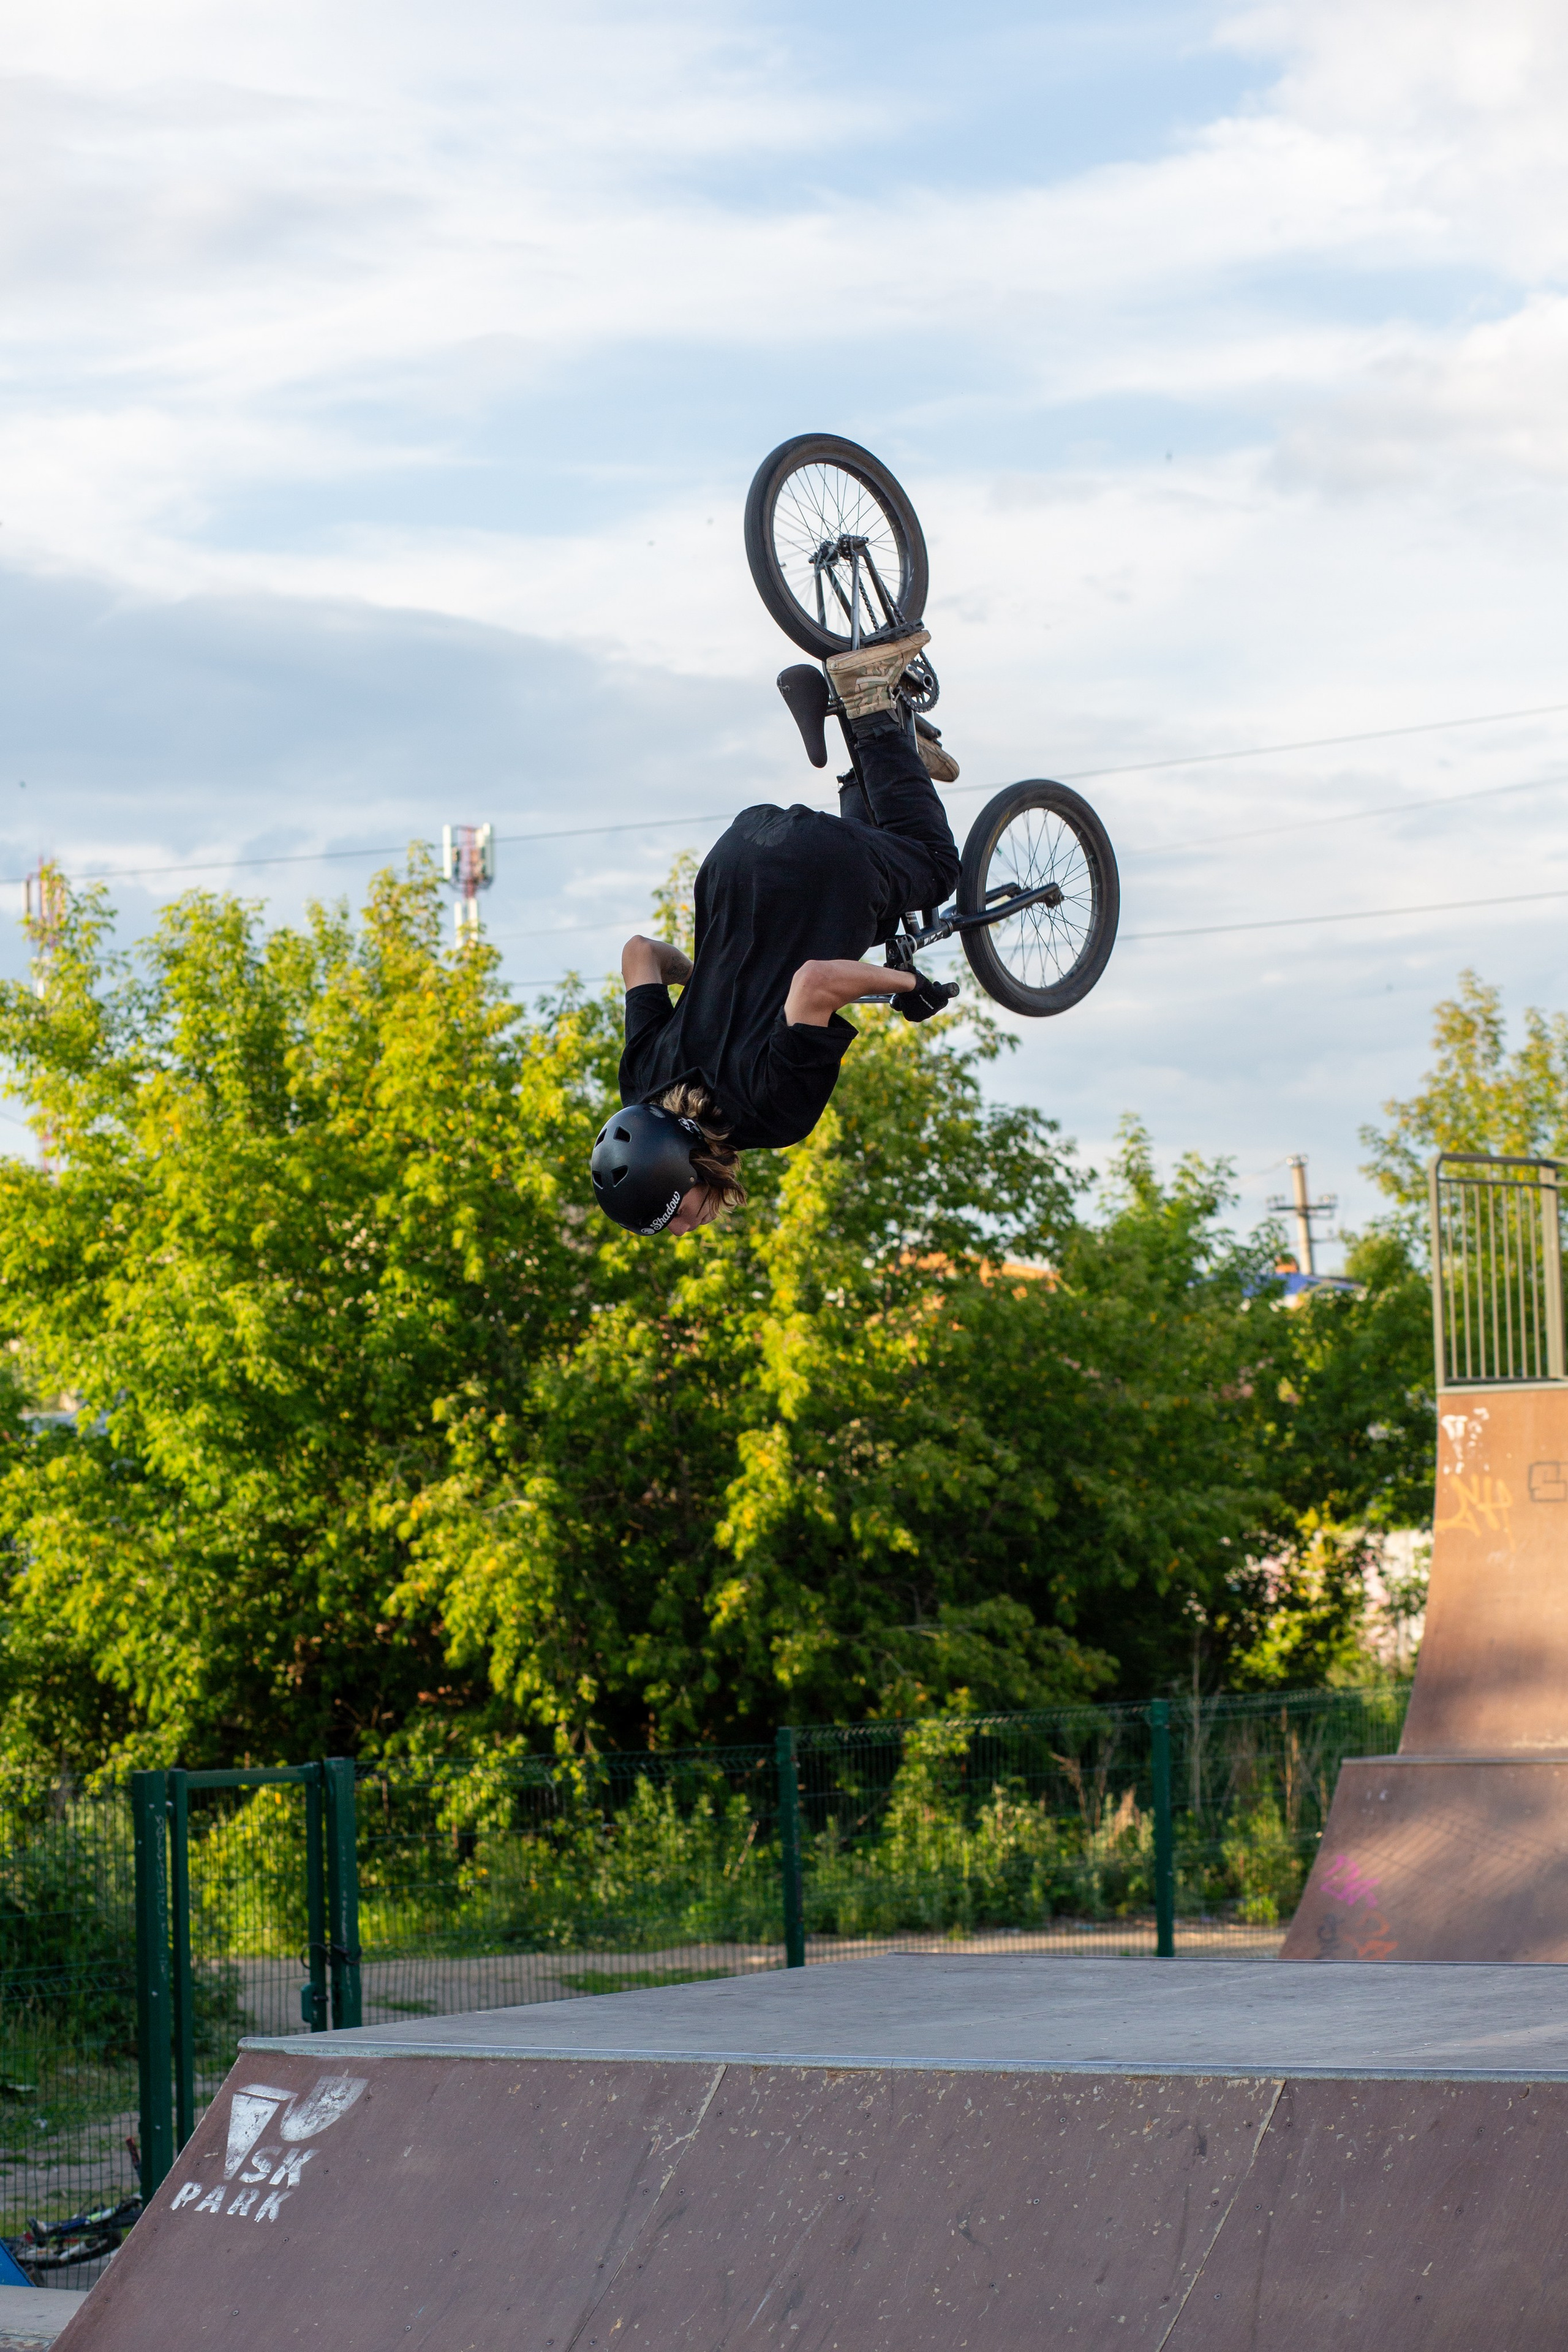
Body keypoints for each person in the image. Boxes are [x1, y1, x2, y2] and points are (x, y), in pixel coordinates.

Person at [591, 630, 963, 1237]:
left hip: (823, 870)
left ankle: (869, 704)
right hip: (735, 857)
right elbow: (639, 956)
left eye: (679, 1217)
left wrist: (908, 986)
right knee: (872, 911)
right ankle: (889, 758)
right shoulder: (641, 1082)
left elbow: (815, 985)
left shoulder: (767, 1114)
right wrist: (705, 967)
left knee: (934, 868)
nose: (688, 1230)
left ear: (685, 1172)